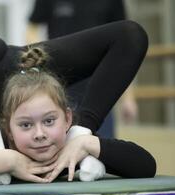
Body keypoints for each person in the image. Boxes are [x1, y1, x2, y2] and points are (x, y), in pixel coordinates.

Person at [0, 0, 156, 187]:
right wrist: (7, 159)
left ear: (67, 119)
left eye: (50, 121)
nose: (40, 135)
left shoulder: (66, 144)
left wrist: (84, 140)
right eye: (25, 126)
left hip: (33, 76)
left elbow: (146, 165)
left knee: (133, 35)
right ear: (8, 131)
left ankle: (72, 126)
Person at [28, 0, 137, 138]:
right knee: (58, 146)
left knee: (99, 147)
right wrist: (40, 63)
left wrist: (128, 98)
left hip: (100, 87)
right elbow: (32, 28)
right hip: (60, 86)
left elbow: (123, 46)